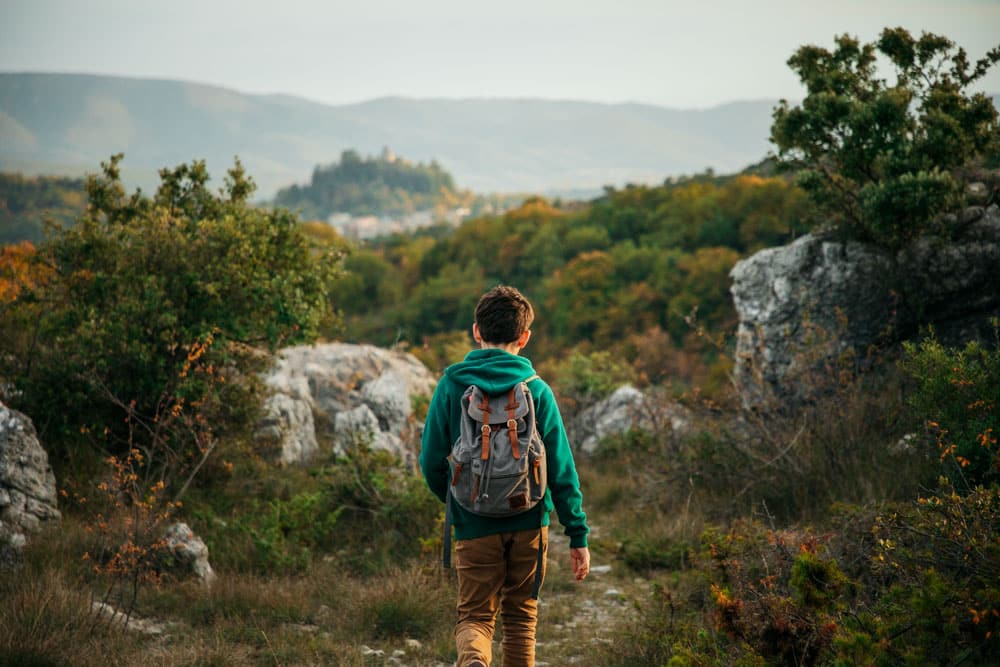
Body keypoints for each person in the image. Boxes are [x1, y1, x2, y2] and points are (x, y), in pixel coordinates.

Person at [420, 285, 590, 667]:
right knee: (520, 619)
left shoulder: (452, 385)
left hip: (473, 522)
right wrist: (577, 534)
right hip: (530, 521)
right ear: (524, 337)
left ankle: (475, 661)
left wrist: (460, 502)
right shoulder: (537, 390)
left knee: (475, 617)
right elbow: (561, 469)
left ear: (476, 331)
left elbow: (430, 461)